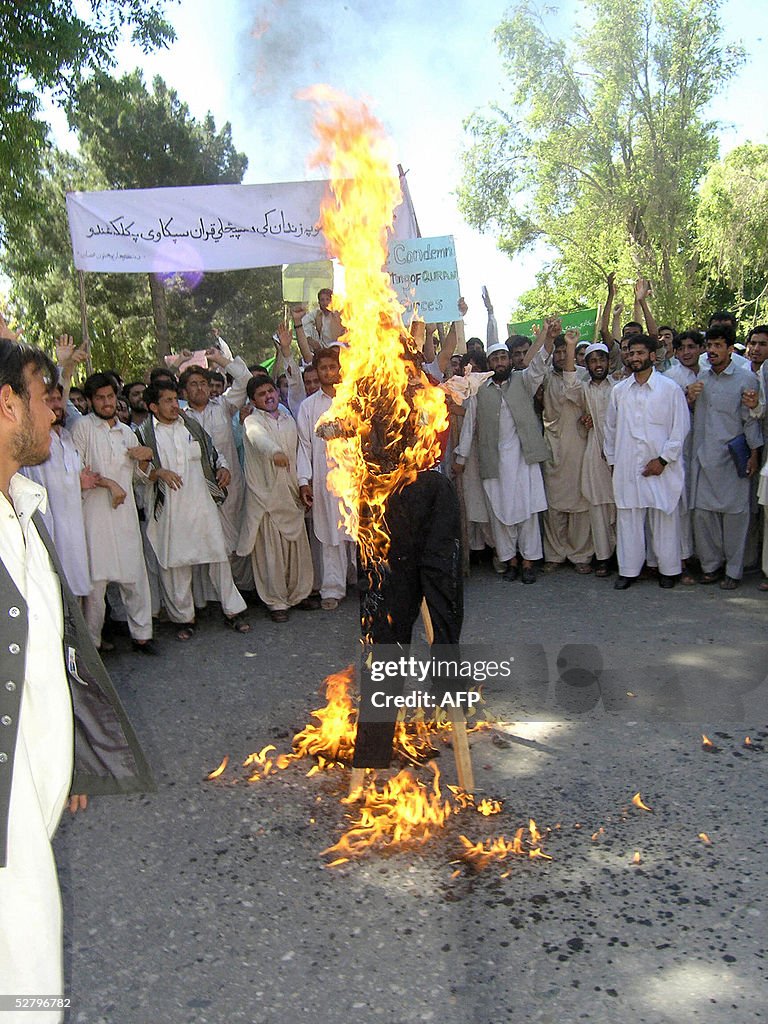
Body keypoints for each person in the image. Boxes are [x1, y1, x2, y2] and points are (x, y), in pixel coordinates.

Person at [0, 338, 153, 1024]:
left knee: (31, 970)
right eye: (42, 394)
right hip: (9, 819)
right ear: (6, 405)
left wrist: (68, 756)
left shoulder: (20, 510)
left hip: (34, 792)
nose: (55, 411)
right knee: (24, 979)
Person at [138, 381, 249, 639]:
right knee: (175, 563)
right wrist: (158, 472)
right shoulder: (144, 435)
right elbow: (136, 474)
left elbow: (213, 452)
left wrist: (223, 468)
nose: (175, 404)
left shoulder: (190, 425)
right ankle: (184, 619)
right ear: (153, 406)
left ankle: (233, 610)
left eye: (176, 399)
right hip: (170, 510)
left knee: (218, 556)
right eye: (167, 401)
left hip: (201, 505)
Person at [453, 318, 556, 583]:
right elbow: (469, 426)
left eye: (504, 358)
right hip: (494, 461)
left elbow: (539, 365)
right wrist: (461, 458)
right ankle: (510, 560)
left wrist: (549, 337)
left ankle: (529, 561)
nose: (500, 362)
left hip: (524, 459)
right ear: (489, 364)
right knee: (500, 514)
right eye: (495, 359)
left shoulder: (523, 380)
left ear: (510, 361)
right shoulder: (479, 390)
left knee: (528, 511)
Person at [71, 373, 156, 653]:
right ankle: (92, 644)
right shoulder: (83, 428)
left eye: (110, 397)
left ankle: (142, 636)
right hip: (94, 517)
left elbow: (139, 478)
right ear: (91, 400)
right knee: (96, 583)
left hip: (125, 516)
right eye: (100, 398)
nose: (107, 403)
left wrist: (145, 459)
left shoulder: (126, 432)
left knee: (134, 575)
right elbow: (76, 473)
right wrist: (109, 484)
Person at [603, 335, 690, 589]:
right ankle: (629, 571)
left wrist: (663, 460)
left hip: (662, 466)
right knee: (629, 517)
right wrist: (613, 462)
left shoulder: (669, 388)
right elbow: (610, 429)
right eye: (631, 353)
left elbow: (680, 427)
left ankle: (668, 570)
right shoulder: (619, 391)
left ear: (653, 356)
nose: (634, 358)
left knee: (664, 517)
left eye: (640, 353)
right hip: (628, 465)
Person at [687, 325, 762, 589]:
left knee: (735, 517)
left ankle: (733, 570)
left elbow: (750, 421)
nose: (712, 351)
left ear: (731, 349)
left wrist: (754, 454)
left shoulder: (746, 379)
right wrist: (689, 399)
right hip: (703, 456)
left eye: (718, 346)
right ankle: (710, 567)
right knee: (704, 515)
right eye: (709, 346)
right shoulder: (700, 378)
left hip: (734, 457)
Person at [236, 376, 314, 621]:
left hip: (290, 495)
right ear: (253, 400)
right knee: (271, 553)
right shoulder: (251, 421)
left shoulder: (288, 418)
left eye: (271, 391)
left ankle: (298, 595)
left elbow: (301, 451)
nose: (268, 396)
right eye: (261, 394)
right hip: (267, 498)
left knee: (296, 551)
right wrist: (274, 452)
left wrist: (303, 483)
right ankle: (276, 602)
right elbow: (258, 438)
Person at [297, 346, 356, 609]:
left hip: (355, 476)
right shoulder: (309, 407)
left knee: (360, 529)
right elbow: (305, 447)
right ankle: (332, 588)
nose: (329, 372)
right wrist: (304, 481)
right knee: (331, 532)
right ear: (316, 371)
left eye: (333, 367)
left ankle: (362, 580)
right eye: (323, 368)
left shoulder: (354, 399)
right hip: (325, 479)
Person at [540, 330, 594, 573]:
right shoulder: (546, 377)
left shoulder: (583, 376)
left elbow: (579, 397)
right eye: (559, 352)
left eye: (566, 351)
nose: (561, 356)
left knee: (580, 504)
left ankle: (581, 554)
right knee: (554, 505)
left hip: (579, 445)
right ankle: (555, 553)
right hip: (552, 445)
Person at [570, 342, 616, 576]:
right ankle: (604, 558)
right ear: (586, 365)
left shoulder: (619, 387)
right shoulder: (583, 389)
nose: (598, 365)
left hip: (620, 455)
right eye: (593, 361)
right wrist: (583, 422)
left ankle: (625, 557)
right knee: (598, 506)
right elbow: (577, 416)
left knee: (622, 507)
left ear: (609, 362)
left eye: (602, 360)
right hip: (594, 452)